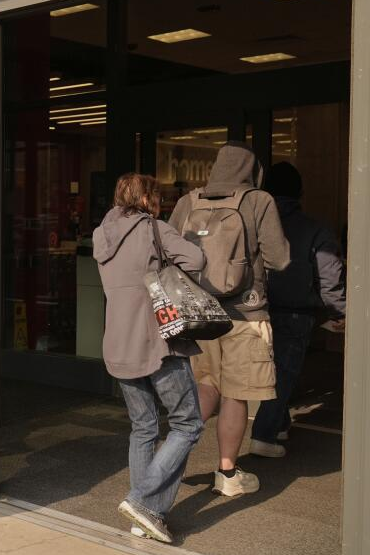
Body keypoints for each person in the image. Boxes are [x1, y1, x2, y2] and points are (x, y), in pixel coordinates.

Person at [168, 142, 290, 496]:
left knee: (205, 387)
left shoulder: (189, 201)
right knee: (236, 395)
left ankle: (170, 464)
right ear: (253, 171)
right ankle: (228, 474)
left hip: (201, 314)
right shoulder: (259, 200)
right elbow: (279, 259)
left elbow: (169, 252)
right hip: (245, 313)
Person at [94, 174, 205, 543]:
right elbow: (196, 258)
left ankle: (143, 517)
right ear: (148, 199)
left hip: (118, 342)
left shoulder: (101, 234)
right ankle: (143, 502)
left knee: (143, 428)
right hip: (157, 342)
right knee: (188, 424)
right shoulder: (154, 229)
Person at [249, 162, 347, 457]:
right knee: (284, 374)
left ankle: (279, 424)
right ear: (300, 192)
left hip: (255, 310)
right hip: (295, 311)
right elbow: (329, 278)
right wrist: (340, 312)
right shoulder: (315, 229)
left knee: (272, 371)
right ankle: (263, 435)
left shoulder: (253, 225)